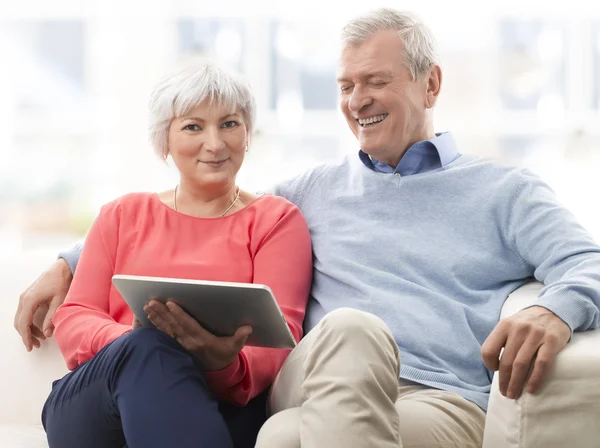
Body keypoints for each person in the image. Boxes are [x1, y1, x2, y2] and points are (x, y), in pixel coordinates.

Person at [15, 8, 600, 448]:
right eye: (345, 86)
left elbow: (587, 261)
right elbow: (205, 212)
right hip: (321, 377)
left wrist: (555, 307)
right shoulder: (313, 189)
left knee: (281, 437)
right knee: (350, 331)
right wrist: (68, 261)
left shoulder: (507, 191)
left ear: (431, 84)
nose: (356, 100)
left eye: (375, 81)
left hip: (436, 396)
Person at [24, 63, 313, 448]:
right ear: (165, 141)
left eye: (229, 124)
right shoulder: (122, 214)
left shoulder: (276, 221)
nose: (215, 143)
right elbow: (76, 316)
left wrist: (221, 362)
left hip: (221, 403)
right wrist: (135, 341)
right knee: (148, 349)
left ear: (247, 134)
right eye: (193, 126)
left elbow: (278, 339)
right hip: (100, 404)